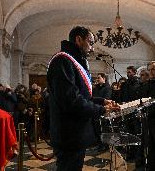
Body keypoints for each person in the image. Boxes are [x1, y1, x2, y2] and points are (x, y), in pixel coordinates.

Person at [47, 26, 120, 171]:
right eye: (90, 42)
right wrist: (101, 110)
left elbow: (82, 96)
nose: (92, 49)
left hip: (76, 133)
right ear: (78, 39)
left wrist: (102, 102)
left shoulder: (73, 60)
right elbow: (71, 100)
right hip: (69, 134)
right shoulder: (62, 61)